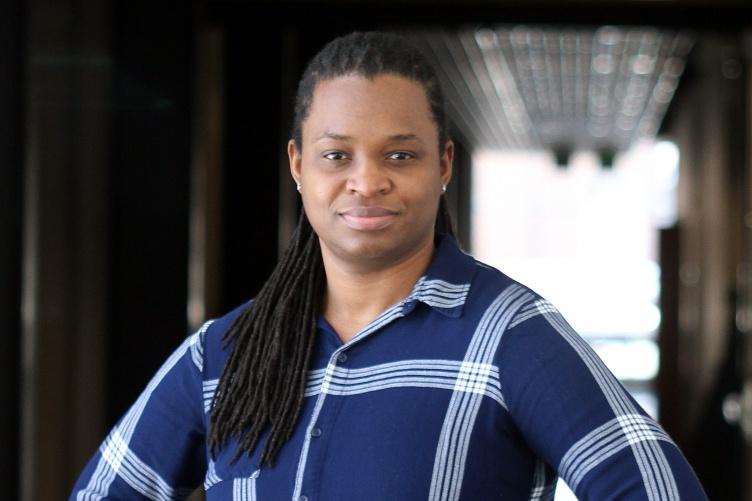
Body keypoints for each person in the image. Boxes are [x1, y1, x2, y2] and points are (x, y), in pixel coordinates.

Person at [71, 31, 707, 500]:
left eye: (399, 156)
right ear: (298, 166)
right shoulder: (224, 354)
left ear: (444, 165)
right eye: (336, 155)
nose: (366, 182)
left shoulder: (510, 336)